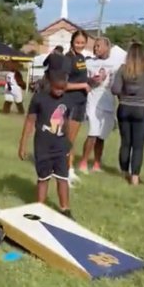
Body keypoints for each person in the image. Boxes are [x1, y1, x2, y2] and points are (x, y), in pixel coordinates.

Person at [18, 59, 73, 216]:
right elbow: (30, 121)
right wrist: (22, 144)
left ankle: (65, 209)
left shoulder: (67, 100)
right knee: (43, 178)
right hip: (43, 147)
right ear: (49, 83)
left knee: (63, 178)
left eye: (63, 88)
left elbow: (66, 122)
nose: (60, 91)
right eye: (57, 88)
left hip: (61, 147)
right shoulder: (39, 99)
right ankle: (39, 209)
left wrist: (70, 145)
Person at [111, 41, 144, 186]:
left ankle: (124, 172)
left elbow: (115, 90)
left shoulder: (123, 69)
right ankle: (135, 177)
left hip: (124, 107)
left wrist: (125, 94)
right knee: (138, 145)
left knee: (125, 143)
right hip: (143, 109)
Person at [61, 29, 101, 184]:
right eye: (77, 42)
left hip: (80, 102)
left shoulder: (81, 57)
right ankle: (66, 171)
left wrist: (91, 81)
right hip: (69, 102)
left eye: (83, 43)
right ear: (72, 42)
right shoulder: (68, 59)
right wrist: (83, 84)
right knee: (67, 140)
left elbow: (81, 80)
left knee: (72, 139)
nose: (80, 45)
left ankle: (68, 169)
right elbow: (63, 84)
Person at [79, 36, 118, 173]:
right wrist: (91, 81)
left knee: (101, 135)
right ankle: (83, 162)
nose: (96, 48)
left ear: (108, 47)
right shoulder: (89, 63)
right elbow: (82, 78)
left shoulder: (115, 64)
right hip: (93, 98)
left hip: (107, 100)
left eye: (99, 46)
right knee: (93, 132)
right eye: (95, 46)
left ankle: (96, 163)